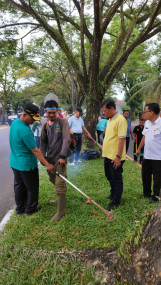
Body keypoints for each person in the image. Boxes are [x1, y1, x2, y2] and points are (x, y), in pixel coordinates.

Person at [9, 103, 54, 216]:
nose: (34, 121)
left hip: (15, 162)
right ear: (24, 114)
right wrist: (47, 164)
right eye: (32, 118)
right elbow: (35, 151)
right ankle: (30, 210)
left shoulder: (14, 123)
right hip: (26, 165)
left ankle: (20, 209)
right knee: (32, 187)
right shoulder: (25, 130)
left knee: (19, 186)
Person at [40, 100, 71, 221]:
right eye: (49, 113)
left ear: (57, 111)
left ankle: (60, 212)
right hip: (50, 159)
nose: (51, 115)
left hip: (60, 159)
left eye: (53, 112)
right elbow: (43, 143)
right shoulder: (45, 126)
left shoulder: (63, 122)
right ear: (45, 112)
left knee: (59, 184)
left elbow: (66, 140)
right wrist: (43, 157)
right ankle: (60, 197)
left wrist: (62, 156)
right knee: (52, 179)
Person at [101, 99, 127, 210]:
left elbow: (122, 139)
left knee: (116, 178)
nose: (103, 113)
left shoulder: (121, 120)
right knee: (109, 175)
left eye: (105, 110)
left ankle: (116, 200)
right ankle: (113, 193)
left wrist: (118, 157)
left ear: (112, 108)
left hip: (115, 157)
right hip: (107, 155)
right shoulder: (110, 119)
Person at [136, 103, 161, 203]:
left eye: (146, 111)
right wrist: (139, 149)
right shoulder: (147, 123)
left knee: (157, 178)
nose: (144, 114)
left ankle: (155, 197)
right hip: (147, 155)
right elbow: (144, 137)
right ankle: (146, 194)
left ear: (152, 112)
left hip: (158, 157)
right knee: (145, 175)